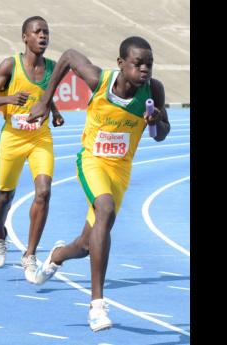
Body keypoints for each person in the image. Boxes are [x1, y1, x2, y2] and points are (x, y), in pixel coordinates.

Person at [27, 36, 171, 331]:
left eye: (149, 64)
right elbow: (67, 54)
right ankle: (96, 306)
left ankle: (57, 256)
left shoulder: (153, 90)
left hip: (120, 172)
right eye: (138, 63)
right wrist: (45, 99)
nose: (145, 69)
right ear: (121, 64)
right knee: (103, 208)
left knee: (86, 245)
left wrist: (156, 119)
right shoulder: (100, 81)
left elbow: (161, 134)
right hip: (92, 160)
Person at [0, 16, 64, 283]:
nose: (42, 36)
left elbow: (45, 97)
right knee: (5, 196)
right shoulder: (10, 65)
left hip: (40, 137)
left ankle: (29, 254)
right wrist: (8, 98)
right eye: (37, 32)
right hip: (13, 138)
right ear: (24, 36)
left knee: (44, 192)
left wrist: (56, 112)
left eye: (46, 32)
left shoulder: (52, 68)